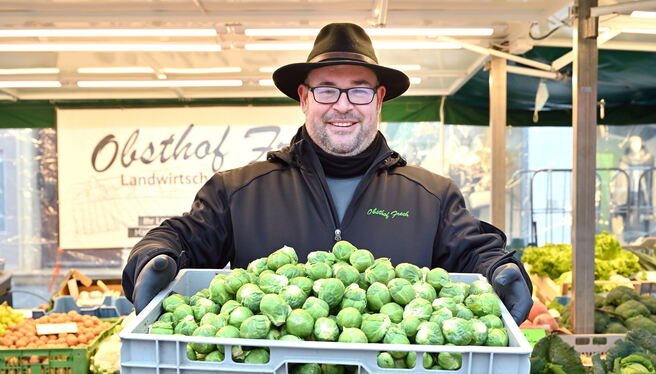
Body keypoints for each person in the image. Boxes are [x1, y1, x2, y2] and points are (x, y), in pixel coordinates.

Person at [122, 23, 533, 324]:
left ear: (378, 100)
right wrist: (152, 259)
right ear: (304, 98)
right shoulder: (239, 190)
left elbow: (473, 250)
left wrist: (501, 269)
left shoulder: (431, 195)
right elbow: (184, 237)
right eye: (326, 90)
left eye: (359, 89)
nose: (342, 105)